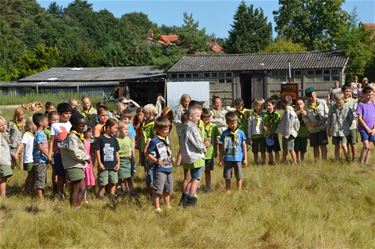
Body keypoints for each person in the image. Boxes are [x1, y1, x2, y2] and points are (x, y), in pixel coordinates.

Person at [60, 112, 89, 207]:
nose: (83, 127)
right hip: (73, 166)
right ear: (74, 125)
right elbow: (74, 152)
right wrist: (86, 157)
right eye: (81, 125)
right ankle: (73, 208)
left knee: (81, 188)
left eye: (84, 125)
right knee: (77, 188)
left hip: (77, 165)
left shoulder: (77, 136)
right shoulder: (72, 137)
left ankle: (77, 207)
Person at [179, 105, 206, 207]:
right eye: (198, 116)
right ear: (190, 116)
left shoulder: (184, 127)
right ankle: (191, 199)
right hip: (196, 157)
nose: (199, 118)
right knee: (196, 179)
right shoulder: (192, 128)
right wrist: (204, 147)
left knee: (190, 179)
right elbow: (197, 142)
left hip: (187, 157)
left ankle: (184, 198)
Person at [146, 116, 173, 213]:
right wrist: (156, 161)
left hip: (169, 167)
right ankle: (157, 207)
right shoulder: (154, 140)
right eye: (164, 129)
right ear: (157, 129)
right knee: (158, 189)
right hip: (159, 169)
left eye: (168, 129)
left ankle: (168, 205)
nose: (167, 131)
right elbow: (147, 153)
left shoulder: (167, 138)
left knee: (167, 188)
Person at [48, 102, 72, 199]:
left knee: (70, 175)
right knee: (60, 175)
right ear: (60, 113)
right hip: (59, 154)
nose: (68, 115)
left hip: (70, 154)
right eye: (66, 113)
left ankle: (71, 193)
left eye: (69, 113)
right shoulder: (55, 126)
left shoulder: (71, 124)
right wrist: (50, 154)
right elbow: (51, 141)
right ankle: (60, 193)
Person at [219, 111, 247, 192]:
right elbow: (222, 147)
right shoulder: (224, 133)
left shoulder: (241, 133)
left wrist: (245, 159)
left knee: (239, 176)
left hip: (238, 159)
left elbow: (244, 145)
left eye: (235, 123)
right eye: (231, 123)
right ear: (227, 123)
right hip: (227, 159)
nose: (234, 125)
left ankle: (239, 190)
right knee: (227, 176)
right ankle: (228, 190)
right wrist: (221, 158)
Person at [96, 119, 120, 199]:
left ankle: (112, 194)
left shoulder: (114, 139)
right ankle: (100, 194)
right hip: (104, 165)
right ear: (108, 128)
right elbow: (98, 151)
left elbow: (117, 152)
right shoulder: (101, 139)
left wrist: (118, 163)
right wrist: (99, 163)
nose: (117, 130)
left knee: (114, 181)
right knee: (103, 181)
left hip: (113, 165)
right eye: (115, 128)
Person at [303, 87, 329, 161]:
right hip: (313, 129)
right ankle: (316, 160)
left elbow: (327, 114)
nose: (313, 97)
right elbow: (304, 117)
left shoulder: (322, 102)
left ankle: (324, 160)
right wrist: (310, 123)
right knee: (315, 146)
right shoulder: (306, 106)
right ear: (308, 97)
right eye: (311, 96)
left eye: (314, 94)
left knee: (323, 145)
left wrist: (322, 121)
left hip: (322, 127)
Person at [327, 93, 354, 161]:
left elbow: (350, 119)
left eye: (340, 102)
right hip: (335, 130)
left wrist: (348, 127)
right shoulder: (332, 108)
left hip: (344, 130)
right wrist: (328, 129)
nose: (338, 104)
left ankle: (348, 159)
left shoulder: (347, 108)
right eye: (337, 102)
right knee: (336, 146)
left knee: (344, 145)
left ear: (343, 100)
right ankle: (337, 160)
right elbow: (329, 119)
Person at [15, 118, 36, 194]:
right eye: (34, 124)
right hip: (29, 159)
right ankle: (27, 189)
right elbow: (21, 144)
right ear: (30, 126)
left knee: (34, 175)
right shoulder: (27, 134)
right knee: (30, 175)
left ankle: (31, 189)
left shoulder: (35, 134)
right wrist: (17, 153)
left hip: (35, 159)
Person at [276, 96, 299, 164]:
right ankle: (283, 160)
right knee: (285, 148)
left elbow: (289, 123)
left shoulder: (289, 111)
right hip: (286, 133)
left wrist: (287, 133)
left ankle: (295, 162)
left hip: (289, 133)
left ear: (283, 103)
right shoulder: (287, 110)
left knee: (290, 149)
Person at [32, 113, 49, 199]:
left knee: (43, 178)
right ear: (40, 122)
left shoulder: (42, 133)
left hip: (43, 160)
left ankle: (41, 195)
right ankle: (40, 198)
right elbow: (40, 146)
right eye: (46, 120)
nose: (47, 122)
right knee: (40, 179)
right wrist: (48, 155)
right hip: (39, 161)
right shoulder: (39, 133)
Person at [356, 86, 375, 164]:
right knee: (366, 146)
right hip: (364, 129)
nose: (369, 96)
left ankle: (366, 163)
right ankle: (361, 162)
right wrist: (367, 128)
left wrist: (374, 129)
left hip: (372, 129)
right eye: (367, 95)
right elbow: (359, 118)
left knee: (369, 148)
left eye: (371, 94)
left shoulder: (373, 104)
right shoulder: (361, 104)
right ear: (363, 94)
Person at [200, 108, 218, 192]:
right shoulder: (199, 126)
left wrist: (216, 151)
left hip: (210, 153)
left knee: (208, 171)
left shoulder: (214, 127)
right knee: (199, 171)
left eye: (209, 118)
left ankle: (208, 187)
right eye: (205, 118)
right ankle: (198, 187)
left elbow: (215, 139)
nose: (208, 120)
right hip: (200, 153)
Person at [140, 104, 156, 195]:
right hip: (143, 148)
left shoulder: (153, 124)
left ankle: (152, 188)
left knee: (151, 169)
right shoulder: (145, 122)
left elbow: (153, 137)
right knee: (146, 168)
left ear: (150, 113)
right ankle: (148, 187)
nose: (143, 114)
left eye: (145, 113)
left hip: (150, 149)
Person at [117, 122, 135, 195]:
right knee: (120, 178)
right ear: (120, 130)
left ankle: (131, 191)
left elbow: (131, 148)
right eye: (125, 129)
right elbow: (116, 151)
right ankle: (119, 192)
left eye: (127, 129)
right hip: (121, 160)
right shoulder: (117, 140)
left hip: (128, 160)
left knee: (129, 177)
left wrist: (133, 157)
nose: (126, 131)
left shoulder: (128, 139)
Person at [247, 98, 266, 165]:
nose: (260, 107)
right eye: (258, 106)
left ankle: (263, 161)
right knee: (255, 151)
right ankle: (256, 162)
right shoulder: (251, 116)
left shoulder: (264, 115)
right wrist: (249, 137)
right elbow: (249, 127)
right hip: (254, 136)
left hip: (262, 136)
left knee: (263, 150)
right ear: (254, 106)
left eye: (262, 106)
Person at [262, 99, 281, 165]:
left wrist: (273, 132)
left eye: (269, 105)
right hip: (267, 135)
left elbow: (278, 125)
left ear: (273, 105)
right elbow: (263, 125)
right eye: (266, 106)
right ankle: (271, 161)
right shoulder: (265, 115)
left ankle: (277, 162)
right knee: (269, 150)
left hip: (275, 135)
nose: (268, 107)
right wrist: (268, 131)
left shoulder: (277, 114)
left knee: (276, 149)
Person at [342, 85, 358, 161]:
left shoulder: (354, 101)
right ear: (343, 92)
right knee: (346, 143)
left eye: (349, 91)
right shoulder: (340, 101)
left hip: (352, 125)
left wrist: (350, 116)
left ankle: (354, 158)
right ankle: (347, 158)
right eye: (346, 91)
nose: (348, 93)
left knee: (353, 143)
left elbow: (356, 113)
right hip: (343, 126)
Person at [0, 116, 12, 197]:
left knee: (4, 178)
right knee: (3, 179)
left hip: (5, 160)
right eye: (1, 125)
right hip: (2, 160)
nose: (4, 126)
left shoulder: (3, 135)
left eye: (5, 124)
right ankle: (3, 195)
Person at [83, 126, 95, 203]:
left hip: (88, 162)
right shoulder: (82, 141)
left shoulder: (89, 141)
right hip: (84, 162)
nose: (91, 133)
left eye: (91, 132)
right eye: (89, 132)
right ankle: (83, 197)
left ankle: (85, 196)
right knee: (83, 181)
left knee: (87, 181)